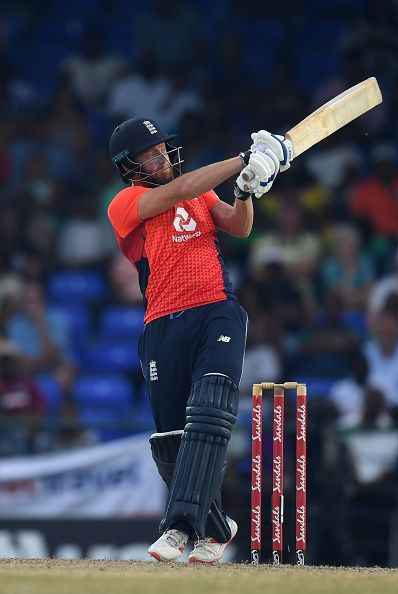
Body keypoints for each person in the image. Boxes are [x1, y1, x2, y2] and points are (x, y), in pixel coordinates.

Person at [107, 117, 292, 563]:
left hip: (215, 309)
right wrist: (243, 160)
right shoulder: (127, 203)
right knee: (171, 440)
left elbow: (239, 225)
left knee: (210, 410)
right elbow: (179, 190)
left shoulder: (200, 192)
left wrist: (246, 190)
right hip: (162, 324)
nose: (162, 158)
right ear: (131, 167)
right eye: (150, 154)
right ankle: (215, 525)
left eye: (163, 149)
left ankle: (179, 525)